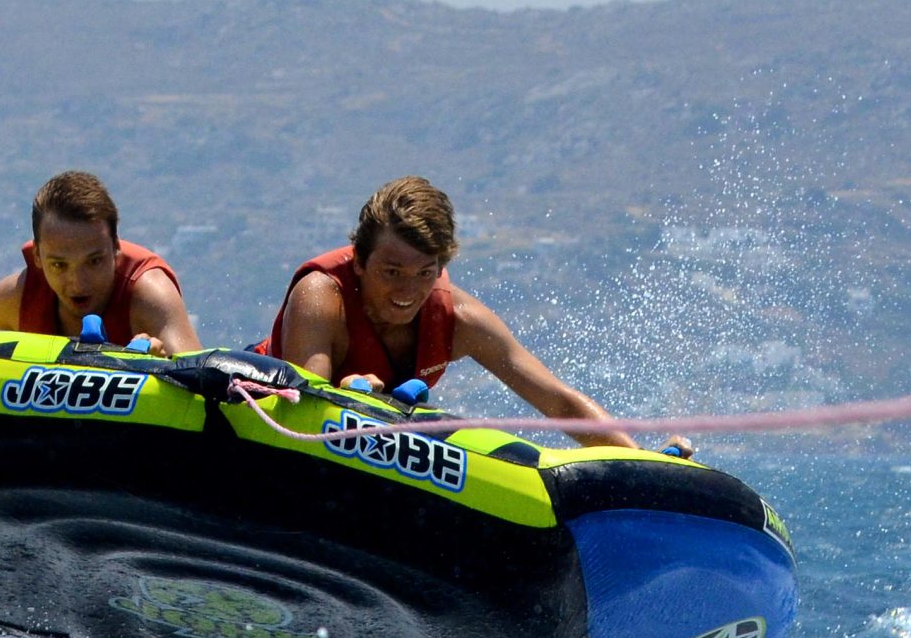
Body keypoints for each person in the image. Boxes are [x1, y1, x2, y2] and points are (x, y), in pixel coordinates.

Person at [255, 176, 658, 451]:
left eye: (424, 274)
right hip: (260, 417)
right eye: (391, 272)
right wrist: (346, 397)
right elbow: (301, 412)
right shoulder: (323, 295)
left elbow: (561, 403)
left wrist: (642, 462)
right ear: (359, 261)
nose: (407, 292)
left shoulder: (461, 320)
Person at [0, 170, 200, 352]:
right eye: (59, 265)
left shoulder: (149, 296)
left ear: (116, 247)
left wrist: (162, 368)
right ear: (38, 257)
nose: (78, 284)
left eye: (94, 261)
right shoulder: (15, 299)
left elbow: (204, 387)